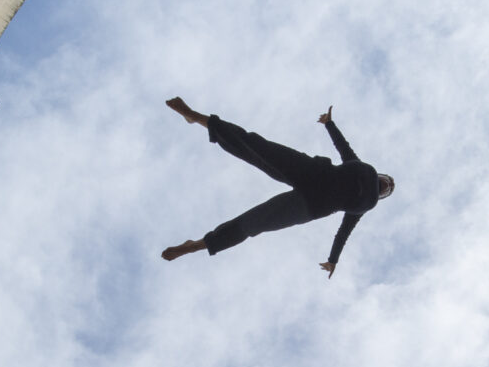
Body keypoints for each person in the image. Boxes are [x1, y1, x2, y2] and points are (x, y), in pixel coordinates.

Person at [161, 97, 395, 278]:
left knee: (255, 146)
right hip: (310, 204)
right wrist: (333, 260)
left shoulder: (364, 170)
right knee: (253, 223)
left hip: (310, 173)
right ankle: (198, 245)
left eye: (388, 185)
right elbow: (344, 233)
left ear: (382, 182)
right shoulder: (364, 202)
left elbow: (343, 147)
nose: (386, 185)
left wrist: (329, 124)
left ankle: (198, 118)